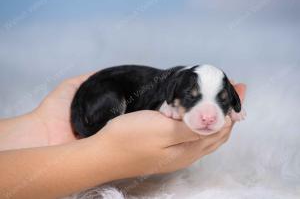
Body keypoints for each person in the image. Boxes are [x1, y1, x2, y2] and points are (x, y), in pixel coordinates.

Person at [0, 73, 246, 199]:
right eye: (192, 97)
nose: (207, 114)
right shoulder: (167, 92)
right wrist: (102, 156)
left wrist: (39, 125)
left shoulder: (173, 85)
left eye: (221, 100)